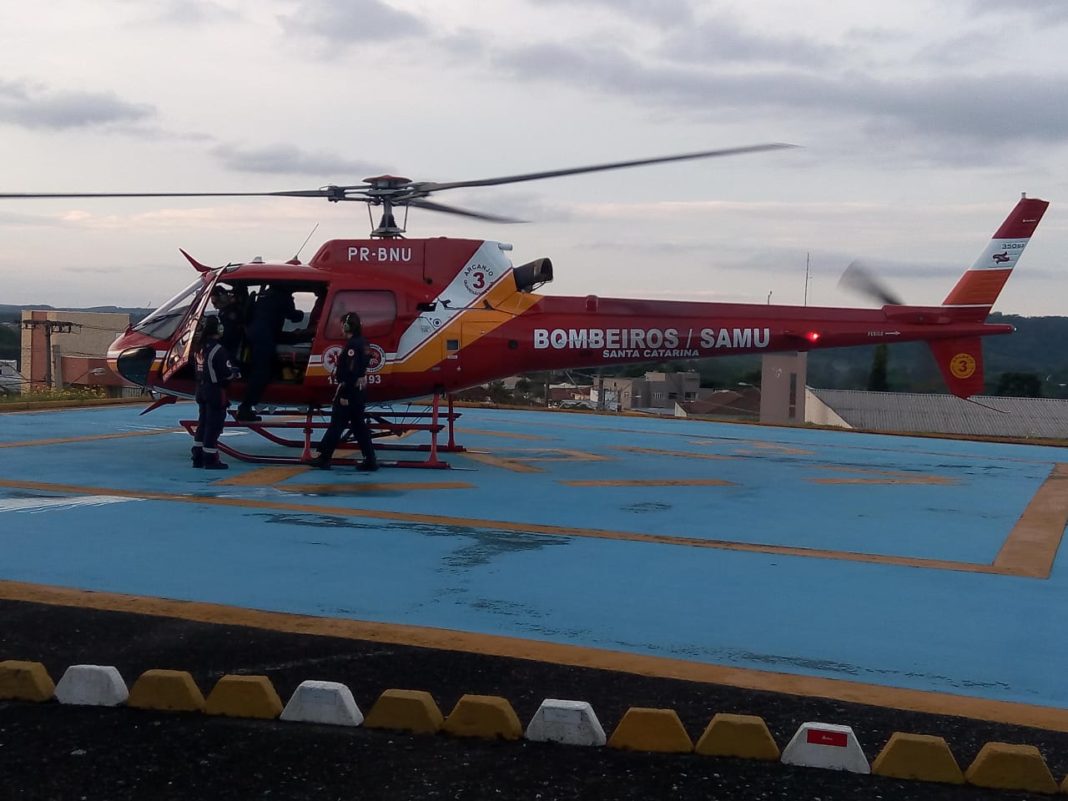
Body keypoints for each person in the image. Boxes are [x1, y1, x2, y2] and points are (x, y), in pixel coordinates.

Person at [304, 311, 377, 471]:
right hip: (358, 392)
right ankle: (370, 459)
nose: (341, 330)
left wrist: (344, 395)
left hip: (349, 391)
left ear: (347, 326)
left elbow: (352, 372)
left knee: (337, 424)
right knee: (358, 426)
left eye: (342, 326)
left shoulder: (353, 346)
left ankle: (324, 457)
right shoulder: (363, 343)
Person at [236, 284, 302, 422]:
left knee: (261, 368)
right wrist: (300, 314)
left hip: (254, 335)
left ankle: (249, 402)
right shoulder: (282, 297)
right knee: (262, 372)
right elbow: (294, 317)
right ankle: (245, 407)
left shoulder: (265, 294)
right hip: (264, 337)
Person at [192, 315, 237, 470]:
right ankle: (210, 459)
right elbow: (226, 373)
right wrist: (234, 373)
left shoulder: (200, 348)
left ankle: (197, 457)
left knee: (203, 423)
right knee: (214, 425)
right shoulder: (218, 350)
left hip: (200, 390)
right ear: (218, 329)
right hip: (214, 391)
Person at [210, 285, 246, 362]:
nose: (215, 306)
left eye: (215, 302)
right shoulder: (226, 311)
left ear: (222, 298)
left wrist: (218, 338)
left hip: (233, 347)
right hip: (232, 344)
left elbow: (229, 333)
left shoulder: (231, 312)